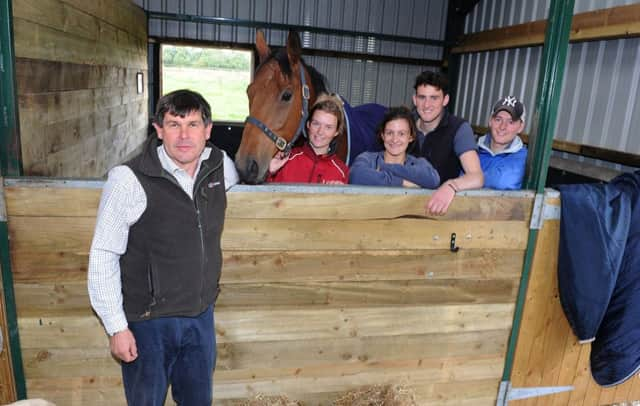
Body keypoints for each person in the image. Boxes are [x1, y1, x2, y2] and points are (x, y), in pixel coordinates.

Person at [88, 89, 237, 405]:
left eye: (193, 124)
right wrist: (116, 327)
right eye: (173, 124)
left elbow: (240, 180)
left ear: (208, 130)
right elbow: (103, 254)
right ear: (158, 129)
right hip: (148, 322)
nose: (184, 136)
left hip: (200, 316)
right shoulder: (128, 179)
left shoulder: (219, 167)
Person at [411, 71, 483, 215]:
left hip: (438, 212)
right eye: (422, 97)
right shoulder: (403, 124)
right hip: (399, 206)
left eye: (434, 98)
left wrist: (451, 186)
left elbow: (476, 177)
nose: (427, 105)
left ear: (445, 100)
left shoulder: (458, 128)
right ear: (414, 99)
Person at [349, 106, 440, 188]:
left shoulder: (418, 164)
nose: (395, 139)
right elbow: (356, 176)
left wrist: (386, 168)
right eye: (389, 133)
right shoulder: (367, 159)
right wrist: (401, 182)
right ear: (382, 135)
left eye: (401, 134)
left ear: (411, 137)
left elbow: (433, 180)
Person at [267, 94, 349, 184]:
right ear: (308, 125)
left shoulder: (341, 171)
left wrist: (338, 195)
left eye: (328, 127)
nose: (320, 132)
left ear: (336, 132)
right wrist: (269, 172)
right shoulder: (286, 160)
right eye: (316, 124)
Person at [478, 96, 528, 190]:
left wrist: (470, 178)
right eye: (498, 119)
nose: (502, 127)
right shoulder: (473, 150)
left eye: (511, 122)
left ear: (521, 127)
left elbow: (503, 182)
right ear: (490, 121)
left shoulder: (525, 158)